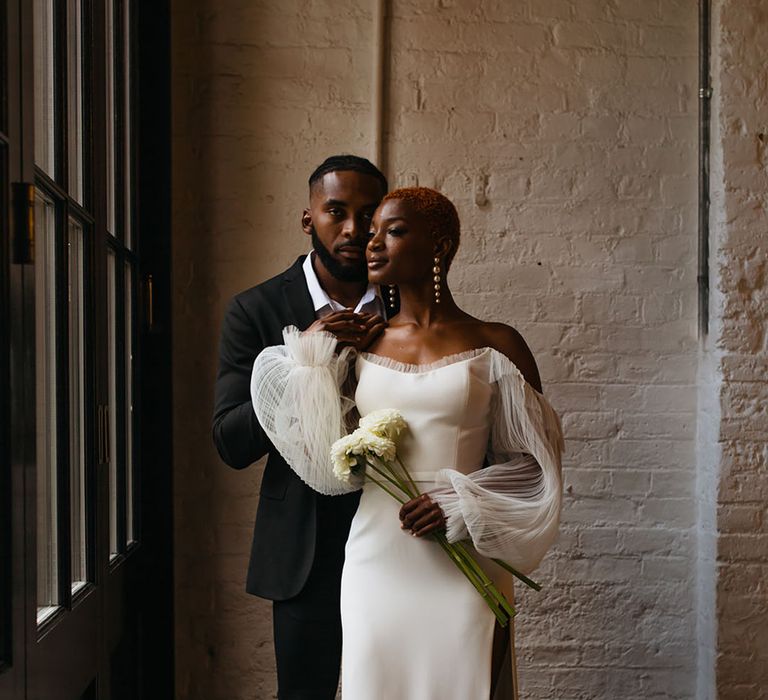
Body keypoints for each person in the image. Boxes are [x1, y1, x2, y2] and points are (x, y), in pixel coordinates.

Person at [251, 187, 564, 699]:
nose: (373, 244)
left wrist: (457, 501)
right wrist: (317, 342)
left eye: (392, 232)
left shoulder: (496, 344)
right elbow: (311, 438)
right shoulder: (362, 346)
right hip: (377, 557)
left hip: (462, 552)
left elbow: (536, 466)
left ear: (439, 246)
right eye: (373, 233)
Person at [212, 155, 392, 699]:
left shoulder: (408, 306)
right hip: (303, 550)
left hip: (397, 533)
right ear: (308, 218)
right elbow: (231, 441)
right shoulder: (256, 309)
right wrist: (302, 357)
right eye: (336, 211)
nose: (355, 229)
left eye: (369, 214)